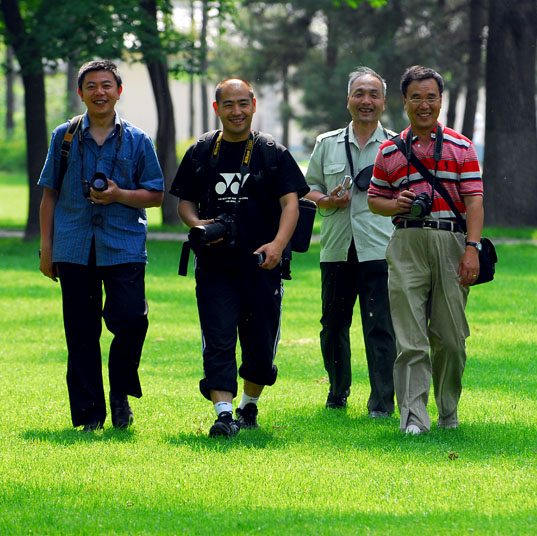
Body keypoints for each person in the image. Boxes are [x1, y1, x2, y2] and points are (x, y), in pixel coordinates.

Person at [170, 78, 308, 438]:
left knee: (260, 347)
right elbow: (184, 201)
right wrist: (198, 223)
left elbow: (291, 203)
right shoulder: (201, 151)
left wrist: (278, 245)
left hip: (262, 265)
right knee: (217, 339)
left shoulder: (270, 151)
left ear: (254, 105)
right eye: (228, 104)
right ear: (217, 108)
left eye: (242, 103)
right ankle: (224, 413)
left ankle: (248, 405)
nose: (236, 111)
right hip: (215, 266)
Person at [38, 60, 164, 431]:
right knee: (81, 332)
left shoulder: (138, 140)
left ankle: (120, 390)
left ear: (118, 91)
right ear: (81, 94)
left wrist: (118, 195)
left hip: (123, 246)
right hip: (73, 246)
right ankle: (90, 415)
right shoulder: (63, 137)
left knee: (129, 319)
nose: (99, 92)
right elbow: (50, 196)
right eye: (91, 86)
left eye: (106, 85)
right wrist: (47, 249)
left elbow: (155, 195)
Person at [368, 65, 484, 435]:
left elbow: (475, 202)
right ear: (404, 101)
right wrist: (396, 204)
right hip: (406, 242)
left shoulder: (461, 146)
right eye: (415, 97)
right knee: (410, 338)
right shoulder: (389, 150)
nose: (423, 104)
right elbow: (374, 199)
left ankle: (448, 411)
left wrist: (472, 249)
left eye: (430, 97)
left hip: (451, 241)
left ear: (440, 100)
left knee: (451, 338)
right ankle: (414, 419)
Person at [303, 67, 397, 417]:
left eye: (373, 94)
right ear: (348, 101)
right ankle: (337, 392)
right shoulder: (326, 143)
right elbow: (307, 188)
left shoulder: (396, 146)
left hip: (380, 249)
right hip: (337, 248)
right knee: (333, 326)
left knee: (380, 327)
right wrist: (327, 200)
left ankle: (382, 402)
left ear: (383, 102)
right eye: (359, 94)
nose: (366, 101)